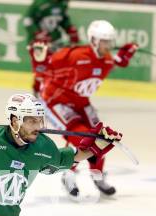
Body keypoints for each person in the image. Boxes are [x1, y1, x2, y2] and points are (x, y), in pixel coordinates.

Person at [40, 19, 137, 198]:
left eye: (110, 42)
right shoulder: (75, 56)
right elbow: (46, 64)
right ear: (93, 40)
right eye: (104, 41)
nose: (108, 46)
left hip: (81, 102)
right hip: (57, 102)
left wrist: (126, 55)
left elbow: (118, 62)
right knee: (82, 139)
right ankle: (68, 174)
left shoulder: (106, 59)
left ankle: (97, 175)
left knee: (101, 136)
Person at [24, 0, 79, 96]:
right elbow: (28, 21)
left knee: (59, 67)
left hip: (55, 41)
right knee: (41, 68)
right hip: (38, 43)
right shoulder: (39, 3)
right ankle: (37, 92)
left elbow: (63, 19)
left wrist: (69, 29)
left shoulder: (63, 3)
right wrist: (37, 33)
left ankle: (56, 91)